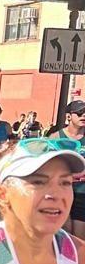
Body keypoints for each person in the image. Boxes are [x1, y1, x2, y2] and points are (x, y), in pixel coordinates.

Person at [47, 99, 85, 238]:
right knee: (65, 232)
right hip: (61, 191)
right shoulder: (56, 137)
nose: (84, 115)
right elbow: (48, 166)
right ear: (69, 116)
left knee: (79, 237)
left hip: (82, 192)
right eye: (80, 112)